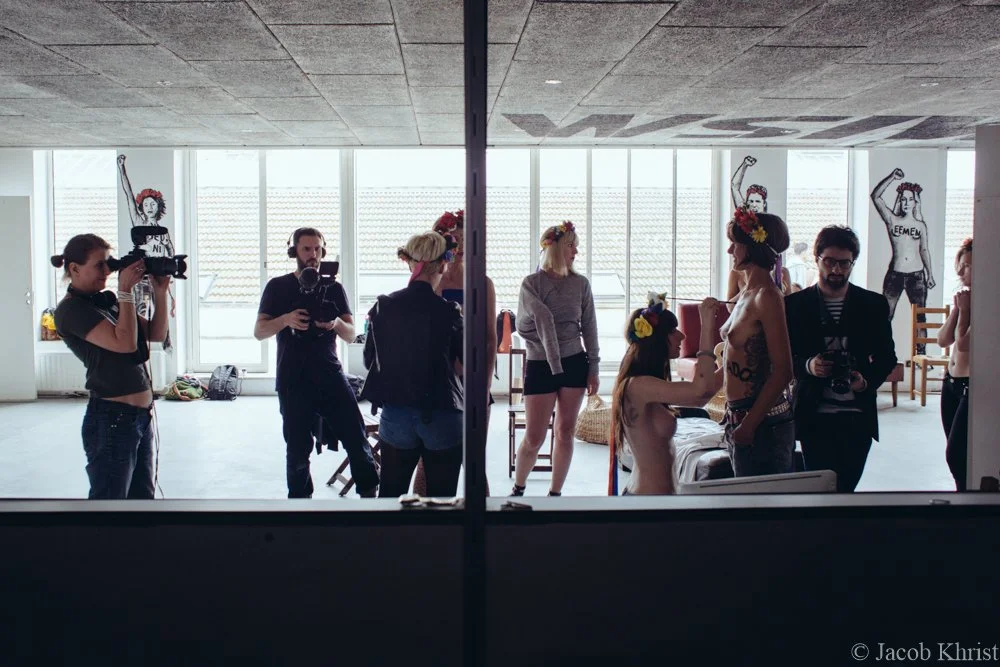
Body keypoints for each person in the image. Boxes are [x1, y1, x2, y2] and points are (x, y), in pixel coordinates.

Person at [254, 227, 378, 498]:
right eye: (306, 249)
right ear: (294, 252)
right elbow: (259, 331)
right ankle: (300, 505)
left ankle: (370, 496)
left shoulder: (333, 288)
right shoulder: (278, 286)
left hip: (330, 374)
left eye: (318, 249)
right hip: (292, 377)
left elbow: (351, 334)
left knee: (357, 439)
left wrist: (334, 323)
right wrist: (286, 320)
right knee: (297, 449)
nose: (313, 255)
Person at [51, 234, 169, 499]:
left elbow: (156, 333)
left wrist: (160, 293)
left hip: (139, 417)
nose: (107, 271)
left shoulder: (106, 302)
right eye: (99, 265)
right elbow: (125, 343)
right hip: (112, 419)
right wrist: (125, 291)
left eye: (109, 264)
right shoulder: (70, 311)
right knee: (109, 504)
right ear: (74, 268)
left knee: (141, 502)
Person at [785, 225, 898, 492]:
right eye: (830, 262)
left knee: (846, 491)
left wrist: (865, 381)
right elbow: (782, 357)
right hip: (814, 416)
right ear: (817, 259)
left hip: (857, 417)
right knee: (820, 492)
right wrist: (808, 366)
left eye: (844, 263)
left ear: (852, 263)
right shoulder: (794, 306)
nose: (836, 270)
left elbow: (887, 357)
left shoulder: (873, 305)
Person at [362, 231, 464, 498]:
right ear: (443, 265)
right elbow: (464, 363)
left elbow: (369, 360)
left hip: (397, 412)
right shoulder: (449, 311)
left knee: (390, 496)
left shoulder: (383, 306)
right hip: (442, 411)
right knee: (443, 499)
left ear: (410, 263)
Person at [409, 209, 497, 496]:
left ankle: (481, 524)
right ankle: (423, 521)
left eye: (462, 239)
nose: (458, 246)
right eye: (452, 240)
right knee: (428, 459)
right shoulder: (428, 282)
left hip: (472, 380)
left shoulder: (482, 282)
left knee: (473, 460)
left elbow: (489, 338)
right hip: (436, 383)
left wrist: (482, 387)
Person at [511, 221, 599, 497]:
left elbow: (590, 328)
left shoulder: (581, 284)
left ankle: (555, 494)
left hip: (575, 362)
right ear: (557, 247)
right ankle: (518, 487)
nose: (576, 251)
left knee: (564, 432)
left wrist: (594, 367)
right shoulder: (531, 284)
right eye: (571, 245)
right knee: (535, 436)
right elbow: (524, 325)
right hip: (539, 364)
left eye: (576, 246)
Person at [611, 294, 724, 495]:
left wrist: (735, 357)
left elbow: (702, 396)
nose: (681, 336)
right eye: (673, 331)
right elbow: (701, 391)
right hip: (645, 504)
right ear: (657, 339)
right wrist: (707, 326)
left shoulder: (646, 384)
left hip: (658, 501)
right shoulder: (638, 385)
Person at [719, 207, 795, 477]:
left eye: (735, 244)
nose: (730, 251)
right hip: (738, 416)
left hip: (763, 424)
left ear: (753, 247)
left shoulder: (768, 297)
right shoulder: (746, 292)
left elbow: (784, 370)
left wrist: (749, 425)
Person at [870, 168, 936, 353]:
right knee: (886, 315)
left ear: (916, 202)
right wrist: (891, 177)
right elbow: (876, 196)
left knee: (920, 316)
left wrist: (930, 274)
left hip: (917, 274)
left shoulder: (920, 225)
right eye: (904, 198)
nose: (907, 202)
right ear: (900, 200)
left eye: (910, 199)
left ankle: (921, 352)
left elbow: (924, 249)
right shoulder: (892, 220)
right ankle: (882, 351)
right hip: (895, 274)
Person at [937, 238, 972, 491]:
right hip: (950, 382)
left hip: (970, 386)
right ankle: (963, 492)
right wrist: (957, 311)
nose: (961, 272)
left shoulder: (989, 301)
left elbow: (963, 344)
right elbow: (943, 340)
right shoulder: (965, 299)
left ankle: (966, 498)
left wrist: (966, 311)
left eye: (967, 266)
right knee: (953, 445)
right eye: (961, 265)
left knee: (957, 453)